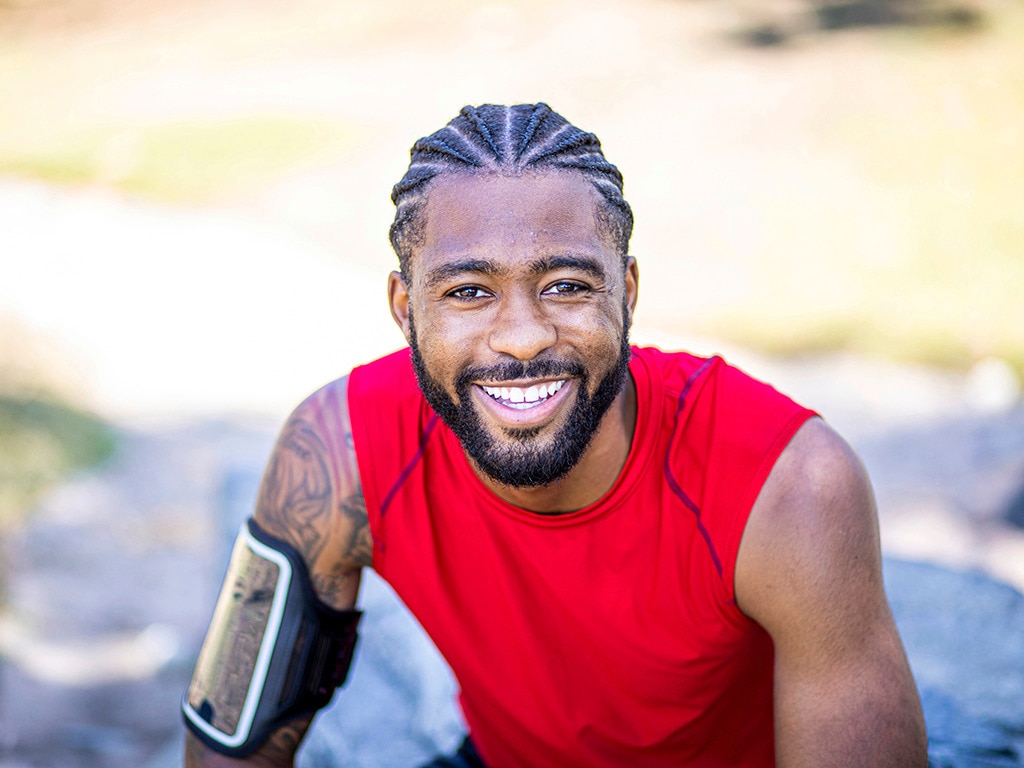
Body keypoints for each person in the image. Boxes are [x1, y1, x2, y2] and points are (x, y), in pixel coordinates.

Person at [182, 103, 928, 768]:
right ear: (405, 307)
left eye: (567, 286)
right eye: (468, 292)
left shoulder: (790, 486)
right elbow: (228, 742)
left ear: (626, 292)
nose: (521, 338)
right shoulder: (336, 453)